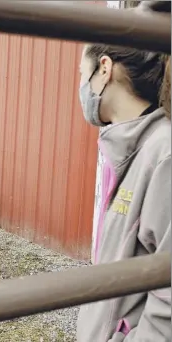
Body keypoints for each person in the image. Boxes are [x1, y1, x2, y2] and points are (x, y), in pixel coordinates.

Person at [76, 3, 171, 341]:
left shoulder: (164, 154)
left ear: (104, 69)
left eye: (82, 73)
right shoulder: (126, 149)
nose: (81, 90)